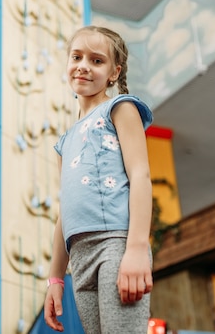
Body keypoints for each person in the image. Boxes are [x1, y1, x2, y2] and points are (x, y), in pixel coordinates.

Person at [44, 26, 154, 333]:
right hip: (79, 258)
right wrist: (55, 279)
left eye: (96, 60)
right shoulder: (64, 141)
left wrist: (135, 249)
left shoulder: (120, 109)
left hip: (115, 244)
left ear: (113, 73)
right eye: (77, 56)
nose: (83, 65)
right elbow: (64, 213)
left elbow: (141, 176)